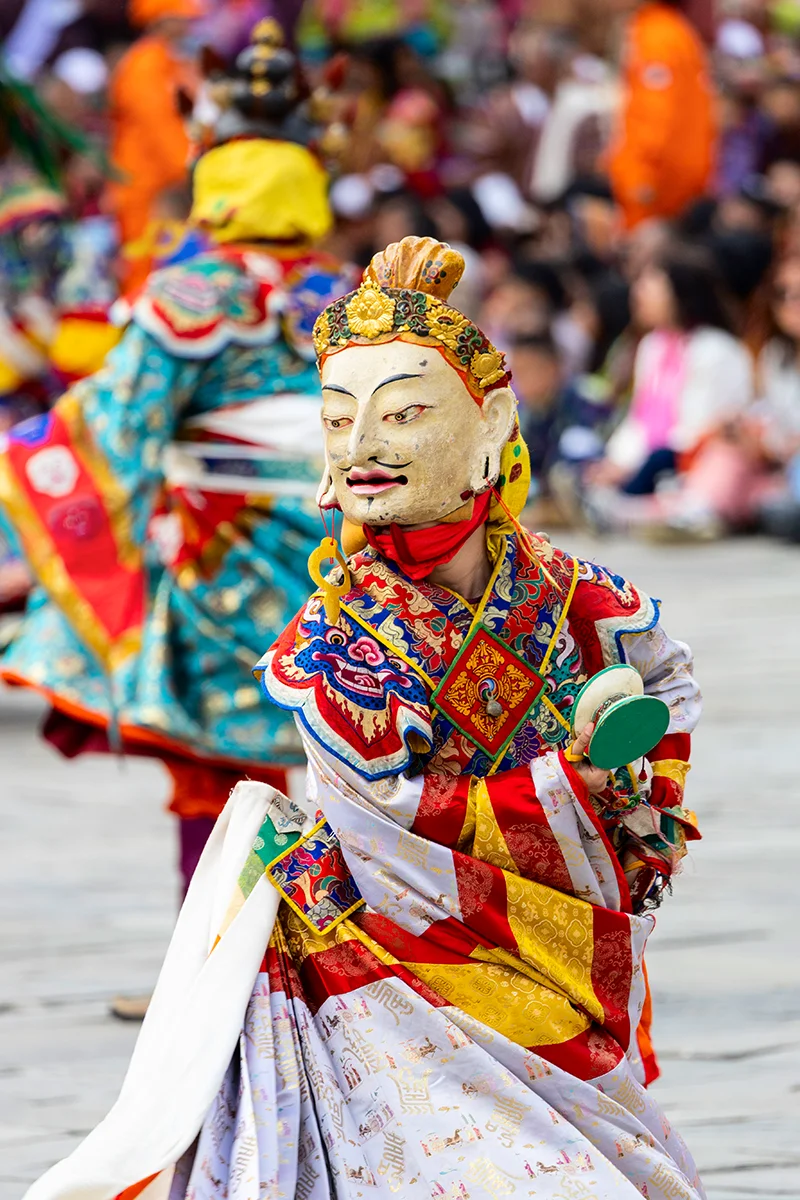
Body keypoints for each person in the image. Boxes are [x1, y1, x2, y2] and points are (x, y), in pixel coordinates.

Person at [25, 238, 705, 1200]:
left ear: (491, 424)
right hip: (388, 956)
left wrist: (635, 794)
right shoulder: (338, 640)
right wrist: (566, 788)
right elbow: (386, 828)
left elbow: (664, 691)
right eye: (339, 420)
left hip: (553, 942)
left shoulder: (573, 592)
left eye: (405, 413)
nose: (361, 448)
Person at [0, 21, 350, 933]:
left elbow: (120, 429)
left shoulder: (190, 293)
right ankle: (332, 954)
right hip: (351, 544)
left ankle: (222, 959)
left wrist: (34, 466)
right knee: (350, 753)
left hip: (226, 541)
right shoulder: (352, 292)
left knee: (216, 762)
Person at [589, 242, 752, 502]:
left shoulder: (716, 349)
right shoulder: (652, 345)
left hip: (688, 463)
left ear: (681, 293)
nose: (638, 294)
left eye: (650, 287)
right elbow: (639, 419)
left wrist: (631, 467)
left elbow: (698, 428)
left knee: (658, 462)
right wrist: (615, 462)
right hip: (647, 459)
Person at [106, 0, 203, 289]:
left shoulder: (169, 61)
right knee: (143, 268)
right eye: (180, 17)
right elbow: (159, 127)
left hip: (164, 187)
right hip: (144, 187)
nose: (188, 24)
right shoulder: (145, 66)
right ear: (161, 21)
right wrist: (193, 169)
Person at [608, 0, 716, 229]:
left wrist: (636, 178)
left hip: (655, 188)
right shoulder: (672, 29)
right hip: (675, 184)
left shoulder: (656, 36)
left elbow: (655, 115)